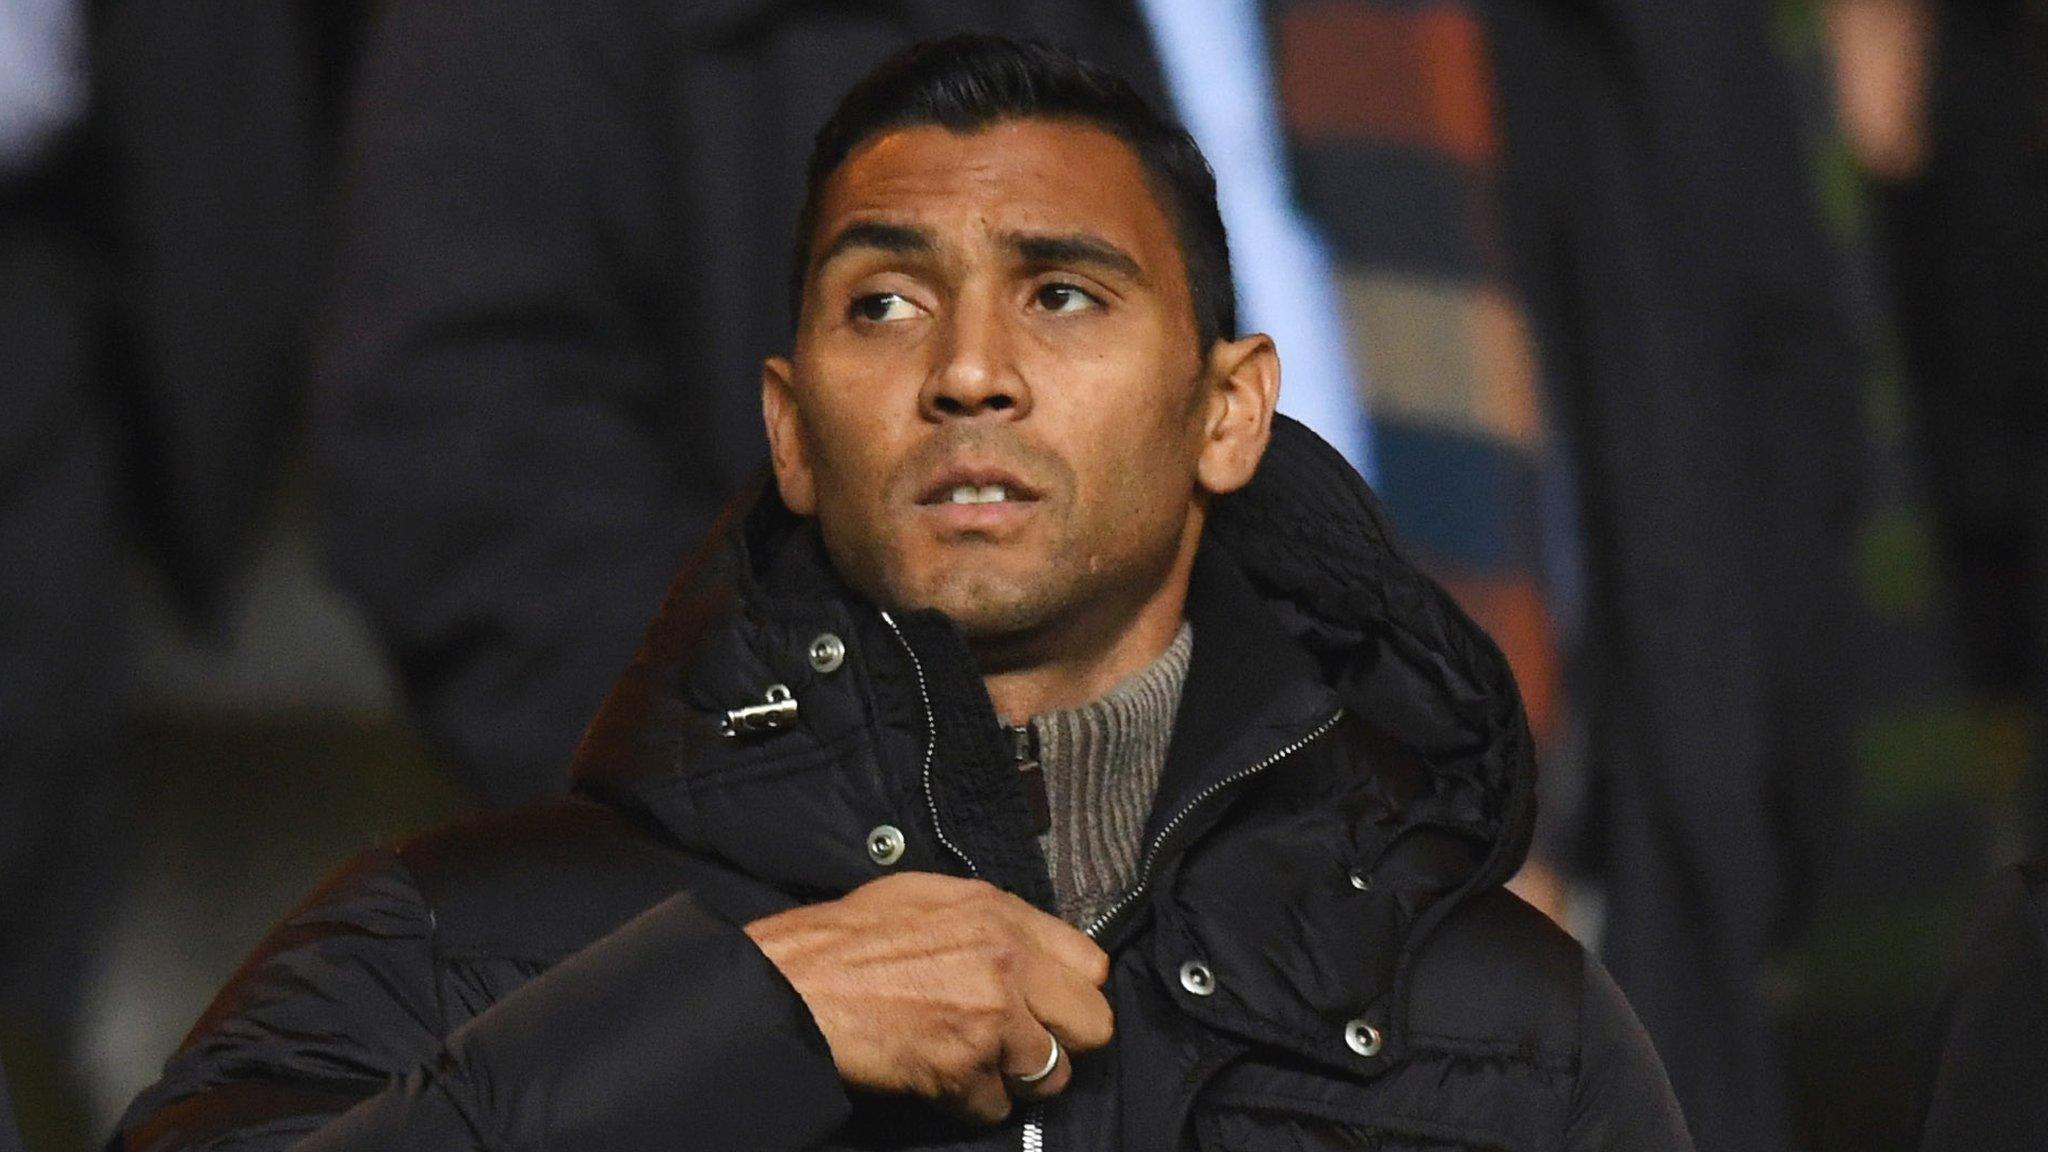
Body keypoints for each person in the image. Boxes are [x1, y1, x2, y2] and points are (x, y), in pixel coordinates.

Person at [120, 36, 1691, 1152]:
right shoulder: (454, 941)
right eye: (886, 301)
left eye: (1061, 293)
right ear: (792, 431)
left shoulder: (1502, 1026)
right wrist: (737, 1026)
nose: (968, 372)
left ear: (1228, 411)